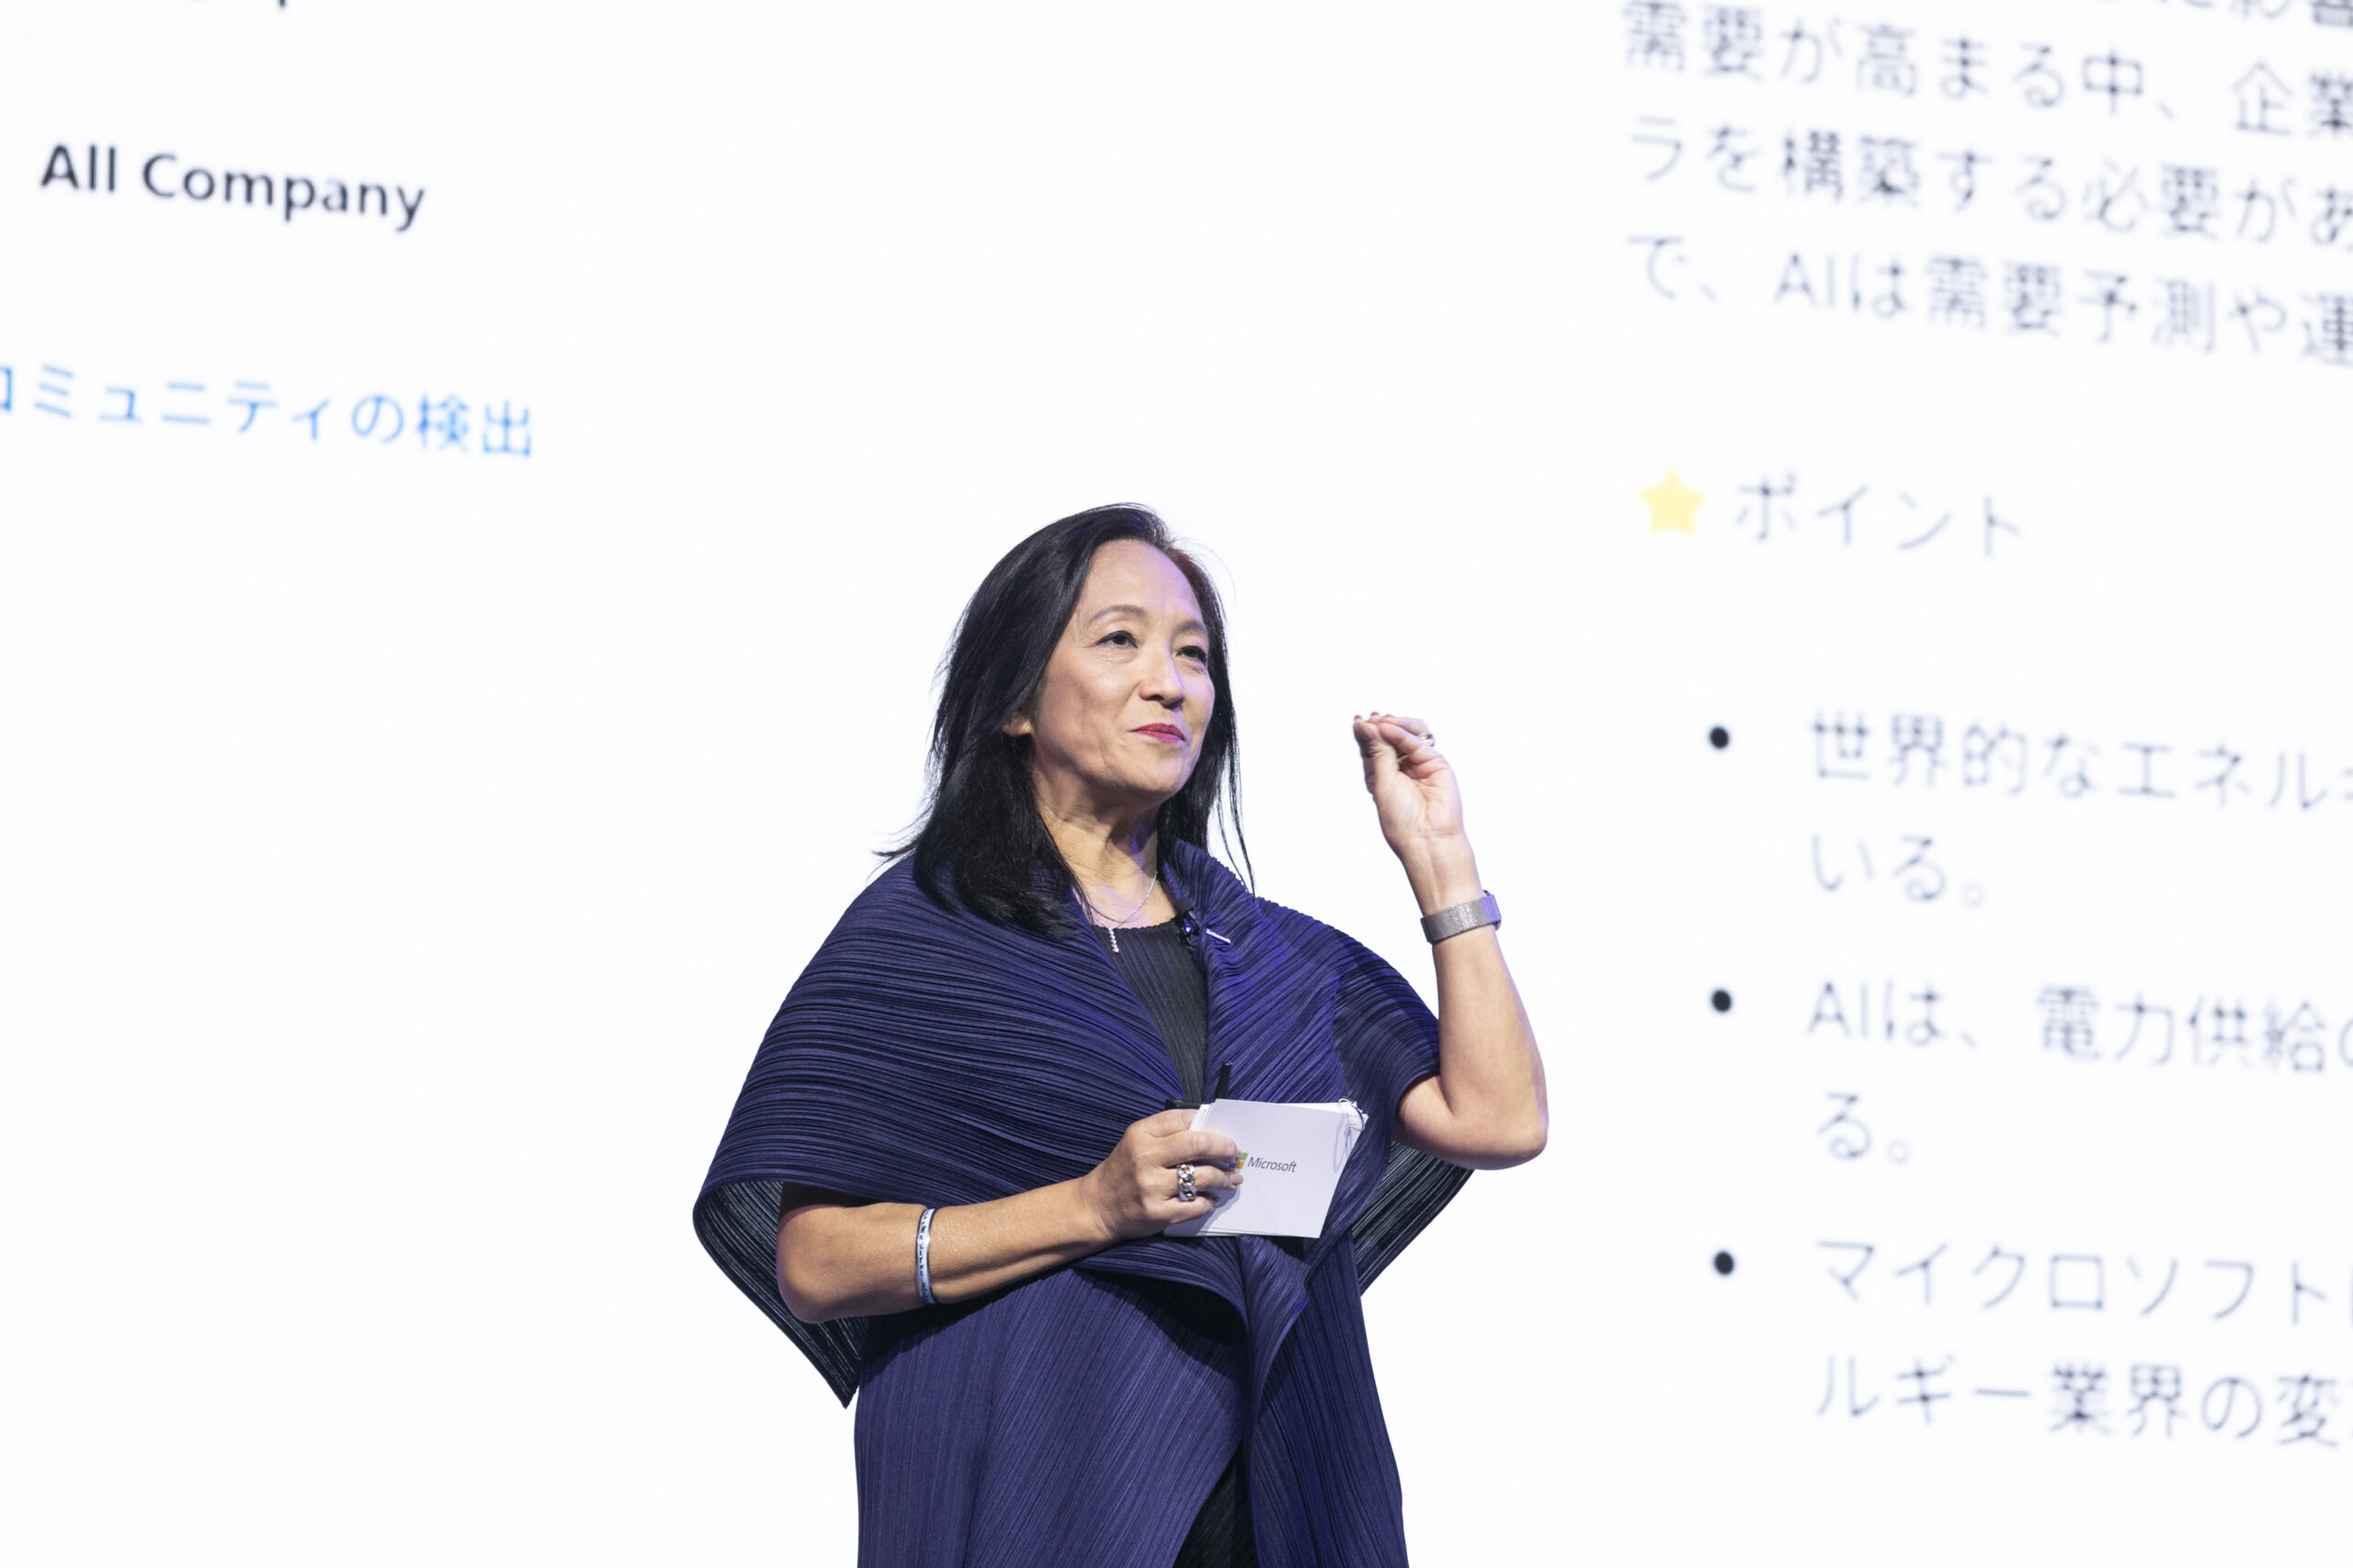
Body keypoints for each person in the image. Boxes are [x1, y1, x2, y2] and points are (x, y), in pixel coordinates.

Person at [694, 505, 1547, 1567]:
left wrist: (1442, 862)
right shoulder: (925, 934)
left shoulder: (1273, 956)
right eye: (1119, 640)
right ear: (1015, 699)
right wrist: (1092, 1206)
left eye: (1193, 654)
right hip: (1036, 1485)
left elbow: (1498, 1117)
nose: (1169, 681)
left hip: (1276, 1499)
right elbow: (817, 1262)